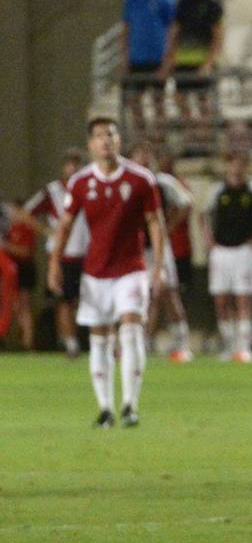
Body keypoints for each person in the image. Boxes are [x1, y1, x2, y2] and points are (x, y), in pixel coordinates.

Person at [46, 118, 165, 429]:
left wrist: (159, 267)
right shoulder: (81, 182)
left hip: (131, 269)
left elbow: (155, 223)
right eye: (99, 136)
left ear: (119, 140)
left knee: (130, 327)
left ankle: (130, 404)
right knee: (99, 338)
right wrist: (54, 263)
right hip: (95, 272)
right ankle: (105, 408)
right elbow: (65, 225)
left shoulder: (141, 180)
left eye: (110, 134)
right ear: (91, 145)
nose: (105, 140)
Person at [206, 150, 252, 363]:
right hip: (221, 251)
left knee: (244, 299)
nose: (236, 169)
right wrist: (208, 240)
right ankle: (228, 345)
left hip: (244, 251)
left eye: (240, 164)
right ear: (227, 166)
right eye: (232, 164)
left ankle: (244, 347)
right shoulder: (217, 190)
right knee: (221, 300)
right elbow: (203, 215)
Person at [129, 142, 194, 362]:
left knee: (167, 293)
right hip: (137, 249)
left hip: (158, 248)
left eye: (147, 155)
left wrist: (168, 226)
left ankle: (181, 341)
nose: (144, 159)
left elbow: (186, 203)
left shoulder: (163, 182)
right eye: (140, 155)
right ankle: (144, 341)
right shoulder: (127, 183)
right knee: (144, 297)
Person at [24, 150, 89, 357]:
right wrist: (45, 231)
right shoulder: (52, 191)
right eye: (70, 164)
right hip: (62, 255)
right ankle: (70, 344)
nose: (73, 168)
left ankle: (75, 338)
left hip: (87, 253)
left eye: (77, 164)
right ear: (63, 167)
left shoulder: (89, 188)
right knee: (64, 301)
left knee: (84, 301)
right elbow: (25, 213)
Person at [157, 0, 223, 142]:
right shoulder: (182, 4)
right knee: (181, 99)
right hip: (184, 60)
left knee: (204, 102)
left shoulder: (213, 5)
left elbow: (218, 37)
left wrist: (208, 63)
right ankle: (191, 135)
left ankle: (206, 138)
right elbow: (174, 33)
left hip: (203, 61)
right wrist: (169, 60)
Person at [120, 0, 177, 135]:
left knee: (158, 101)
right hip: (137, 59)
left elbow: (173, 31)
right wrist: (125, 57)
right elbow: (126, 29)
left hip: (158, 59)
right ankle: (142, 138)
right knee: (134, 100)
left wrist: (167, 62)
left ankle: (160, 138)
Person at [3, 201, 36, 350]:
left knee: (23, 306)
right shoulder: (7, 228)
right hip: (8, 271)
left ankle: (28, 343)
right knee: (12, 306)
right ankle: (11, 340)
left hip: (23, 269)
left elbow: (26, 252)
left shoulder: (26, 228)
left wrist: (6, 246)